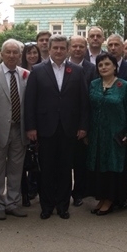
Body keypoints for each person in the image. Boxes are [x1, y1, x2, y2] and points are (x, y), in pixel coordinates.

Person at [24, 35, 89, 220]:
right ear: (49, 49)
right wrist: (31, 127)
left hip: (69, 128)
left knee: (65, 168)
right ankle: (46, 205)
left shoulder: (76, 70)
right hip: (45, 128)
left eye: (62, 48)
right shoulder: (37, 70)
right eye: (56, 48)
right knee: (46, 168)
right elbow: (30, 101)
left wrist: (83, 126)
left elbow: (83, 101)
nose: (59, 51)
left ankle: (62, 205)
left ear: (67, 50)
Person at [0, 39, 30, 220]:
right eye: (8, 52)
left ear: (19, 55)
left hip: (20, 129)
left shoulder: (26, 74)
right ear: (2, 54)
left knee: (16, 168)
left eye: (15, 52)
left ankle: (12, 202)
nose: (11, 55)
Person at [86, 53, 127, 215]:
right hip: (97, 135)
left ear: (115, 66)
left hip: (116, 135)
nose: (103, 67)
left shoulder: (124, 86)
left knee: (114, 166)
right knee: (99, 167)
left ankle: (111, 199)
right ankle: (101, 197)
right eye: (100, 65)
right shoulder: (93, 84)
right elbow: (87, 109)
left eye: (107, 64)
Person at [68, 35, 96, 207]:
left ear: (85, 48)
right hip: (62, 122)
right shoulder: (61, 65)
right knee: (63, 161)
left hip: (81, 122)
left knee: (80, 162)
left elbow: (90, 99)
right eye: (74, 46)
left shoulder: (92, 69)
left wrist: (85, 125)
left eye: (81, 46)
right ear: (69, 48)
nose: (77, 49)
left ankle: (79, 193)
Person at [20, 43, 42, 205]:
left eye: (35, 52)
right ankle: (24, 192)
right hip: (20, 120)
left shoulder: (42, 70)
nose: (32, 56)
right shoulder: (20, 71)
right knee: (21, 160)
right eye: (29, 53)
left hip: (39, 120)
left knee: (37, 158)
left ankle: (36, 188)